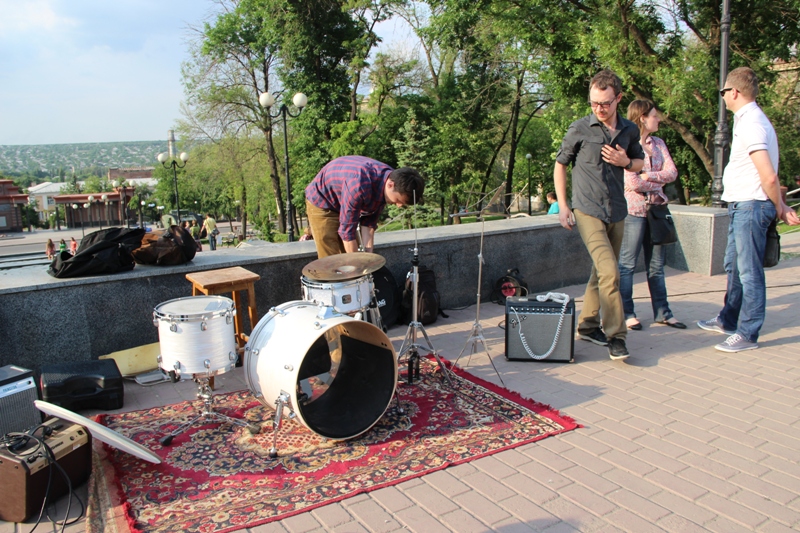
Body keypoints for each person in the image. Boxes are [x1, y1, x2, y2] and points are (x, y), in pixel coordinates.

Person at [697, 67, 800, 352]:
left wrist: (780, 207)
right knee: (734, 266)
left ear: (734, 92)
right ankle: (728, 319)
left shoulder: (752, 123)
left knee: (749, 272)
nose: (722, 97)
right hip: (743, 205)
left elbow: (768, 176)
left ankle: (748, 333)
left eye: (723, 92)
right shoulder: (747, 120)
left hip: (752, 206)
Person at [553, 69, 645, 360]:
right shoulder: (580, 128)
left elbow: (640, 163)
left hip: (617, 210)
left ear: (618, 98)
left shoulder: (629, 130)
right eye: (594, 103)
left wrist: (625, 161)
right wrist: (564, 206)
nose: (599, 109)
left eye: (605, 103)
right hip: (587, 209)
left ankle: (588, 325)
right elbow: (560, 164)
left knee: (600, 272)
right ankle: (616, 336)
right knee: (610, 272)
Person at [618, 99, 686, 331]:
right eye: (654, 115)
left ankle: (663, 313)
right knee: (627, 265)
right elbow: (632, 182)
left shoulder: (658, 143)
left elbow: (672, 172)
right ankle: (627, 314)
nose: (658, 119)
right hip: (634, 211)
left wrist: (650, 177)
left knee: (657, 266)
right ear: (642, 118)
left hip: (656, 211)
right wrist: (657, 181)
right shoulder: (626, 144)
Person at [305, 155, 425, 258]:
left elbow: (368, 224)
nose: (398, 206)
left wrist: (368, 257)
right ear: (390, 185)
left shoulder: (392, 182)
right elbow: (347, 233)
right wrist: (358, 265)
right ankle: (311, 231)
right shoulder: (359, 184)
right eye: (398, 200)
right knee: (332, 257)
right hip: (323, 200)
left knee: (354, 252)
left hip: (345, 198)